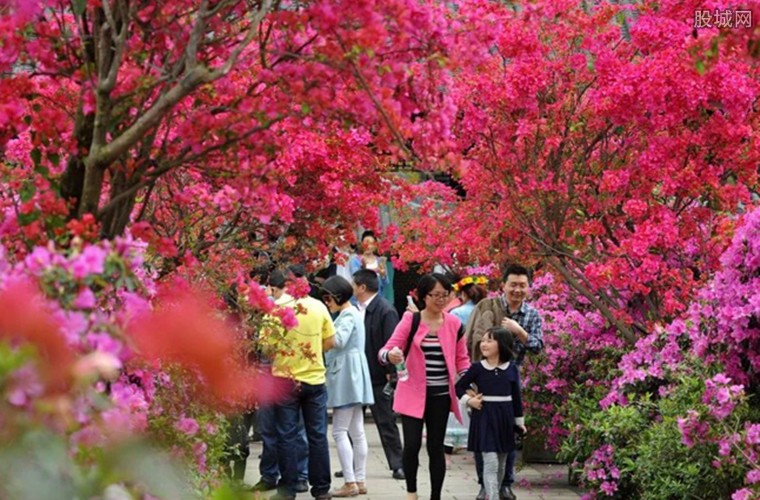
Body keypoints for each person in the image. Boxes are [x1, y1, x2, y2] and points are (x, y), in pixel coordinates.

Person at [379, 273, 470, 500]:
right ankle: (411, 492)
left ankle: (436, 496)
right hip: (412, 393)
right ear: (423, 296)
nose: (440, 300)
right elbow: (384, 352)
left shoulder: (455, 324)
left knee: (436, 448)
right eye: (435, 295)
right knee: (411, 446)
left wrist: (470, 381)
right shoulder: (411, 320)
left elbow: (462, 359)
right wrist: (391, 355)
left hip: (440, 395)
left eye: (445, 295)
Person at [464, 264, 544, 500]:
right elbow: (472, 339)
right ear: (503, 286)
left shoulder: (531, 315)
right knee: (482, 435)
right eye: (513, 285)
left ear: (528, 287)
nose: (517, 290)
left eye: (522, 285)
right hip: (484, 381)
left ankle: (505, 484)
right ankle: (484, 484)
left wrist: (519, 331)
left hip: (511, 381)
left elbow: (538, 346)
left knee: (508, 435)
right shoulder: (488, 308)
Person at [260, 270, 336, 500]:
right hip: (315, 380)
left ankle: (288, 490)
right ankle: (321, 489)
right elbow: (330, 341)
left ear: (282, 285)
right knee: (318, 435)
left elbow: (266, 348)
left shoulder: (275, 310)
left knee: (286, 435)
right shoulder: (319, 306)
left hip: (285, 380)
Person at [251, 271, 310, 493]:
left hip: (287, 372)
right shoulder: (268, 312)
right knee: (277, 428)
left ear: (274, 289)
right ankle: (273, 474)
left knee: (288, 428)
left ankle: (292, 475)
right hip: (274, 372)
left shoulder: (301, 309)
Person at [456, 327, 525, 500]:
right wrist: (468, 400)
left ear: (501, 344)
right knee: (491, 461)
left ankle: (495, 492)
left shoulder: (511, 369)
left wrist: (519, 422)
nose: (484, 344)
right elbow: (458, 386)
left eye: (489, 340)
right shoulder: (477, 368)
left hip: (505, 419)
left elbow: (516, 398)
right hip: (484, 417)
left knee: (501, 463)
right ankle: (492, 497)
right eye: (483, 340)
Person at [320, 276, 375, 497]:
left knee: (340, 431)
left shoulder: (346, 315)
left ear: (337, 296)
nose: (327, 302)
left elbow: (338, 341)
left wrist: (318, 337)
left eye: (328, 297)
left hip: (345, 373)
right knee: (357, 431)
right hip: (354, 372)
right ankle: (359, 480)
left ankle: (350, 482)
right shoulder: (354, 313)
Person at [352, 269, 406, 480]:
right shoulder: (356, 309)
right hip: (358, 373)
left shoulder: (385, 310)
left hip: (377, 376)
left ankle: (398, 464)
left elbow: (393, 345)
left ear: (362, 287)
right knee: (352, 422)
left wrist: (391, 375)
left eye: (354, 284)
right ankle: (353, 465)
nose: (352, 288)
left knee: (386, 421)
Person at [444, 276, 489, 458]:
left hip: (460, 360)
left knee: (457, 398)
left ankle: (450, 441)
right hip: (482, 359)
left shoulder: (456, 314)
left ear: (463, 293)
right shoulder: (486, 311)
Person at [349, 231, 390, 298]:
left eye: (371, 243)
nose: (368, 246)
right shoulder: (355, 261)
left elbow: (385, 283)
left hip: (378, 298)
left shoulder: (380, 260)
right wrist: (363, 268)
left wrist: (383, 275)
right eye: (366, 243)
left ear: (375, 245)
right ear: (362, 244)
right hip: (361, 299)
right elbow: (357, 280)